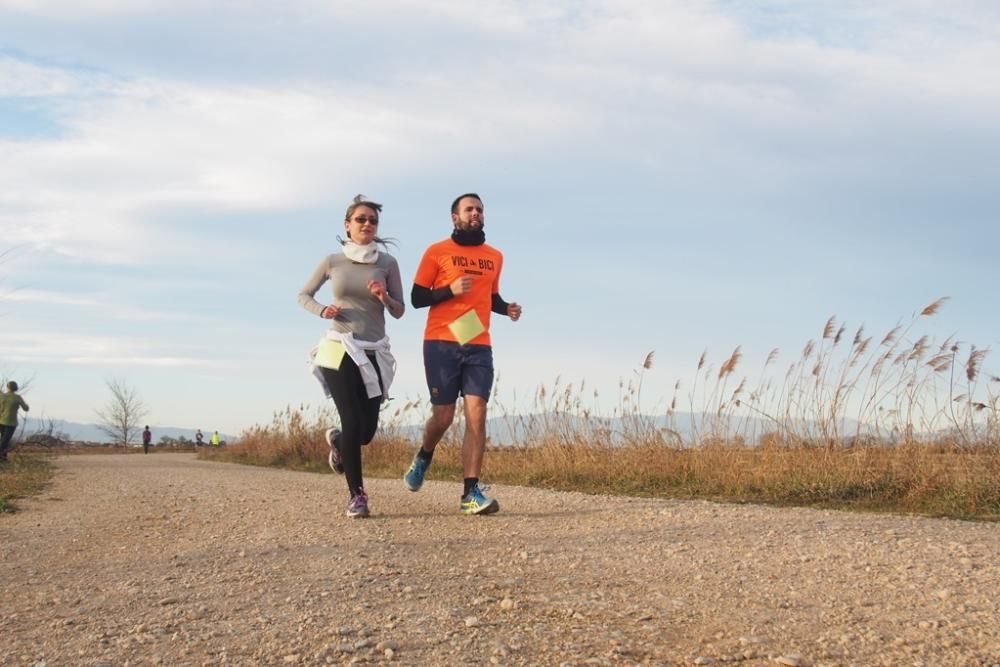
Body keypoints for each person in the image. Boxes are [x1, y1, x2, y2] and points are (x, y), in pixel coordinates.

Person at [403, 193, 521, 515]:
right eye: (469, 209)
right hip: (441, 341)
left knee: (477, 412)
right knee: (443, 416)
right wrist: (449, 291)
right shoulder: (437, 251)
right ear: (455, 217)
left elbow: (490, 296)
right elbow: (416, 298)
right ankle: (425, 454)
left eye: (480, 209)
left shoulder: (494, 256)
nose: (476, 214)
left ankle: (470, 493)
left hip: (478, 342)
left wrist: (505, 307)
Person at [299, 194, 404, 518]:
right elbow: (304, 295)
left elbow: (399, 311)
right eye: (361, 219)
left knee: (366, 432)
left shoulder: (387, 264)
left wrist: (384, 296)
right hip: (338, 346)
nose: (367, 224)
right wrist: (322, 310)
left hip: (373, 350)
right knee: (352, 417)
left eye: (372, 220)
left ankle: (339, 441)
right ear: (348, 225)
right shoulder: (333, 261)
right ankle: (357, 496)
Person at [0, 381, 30, 462]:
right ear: (16, 388)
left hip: (1, 421)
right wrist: (26, 405)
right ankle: (1, 457)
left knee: (3, 440)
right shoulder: (17, 397)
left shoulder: (2, 396)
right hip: (11, 422)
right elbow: (26, 408)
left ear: (7, 387)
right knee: (5, 441)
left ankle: (3, 458)